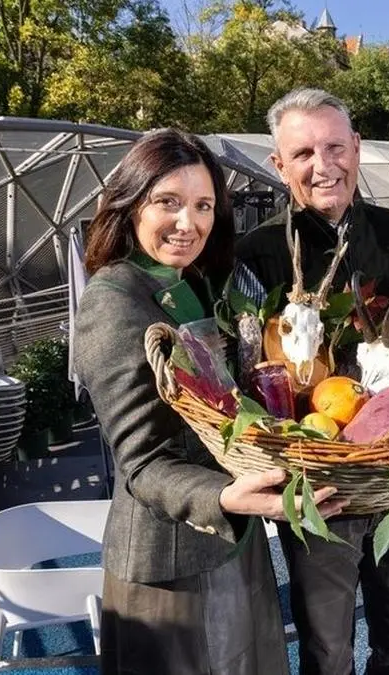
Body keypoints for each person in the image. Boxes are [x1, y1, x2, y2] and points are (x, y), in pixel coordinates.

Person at [73, 129, 346, 675]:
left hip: (229, 540)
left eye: (203, 206)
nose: (188, 222)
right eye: (167, 202)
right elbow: (142, 464)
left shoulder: (190, 281)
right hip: (172, 560)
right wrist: (227, 496)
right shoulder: (114, 300)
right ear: (130, 205)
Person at [230, 88, 389, 675]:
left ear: (357, 147)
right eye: (302, 153)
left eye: (334, 146)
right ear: (279, 165)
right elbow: (247, 369)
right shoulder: (256, 253)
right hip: (316, 483)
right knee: (327, 648)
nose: (321, 166)